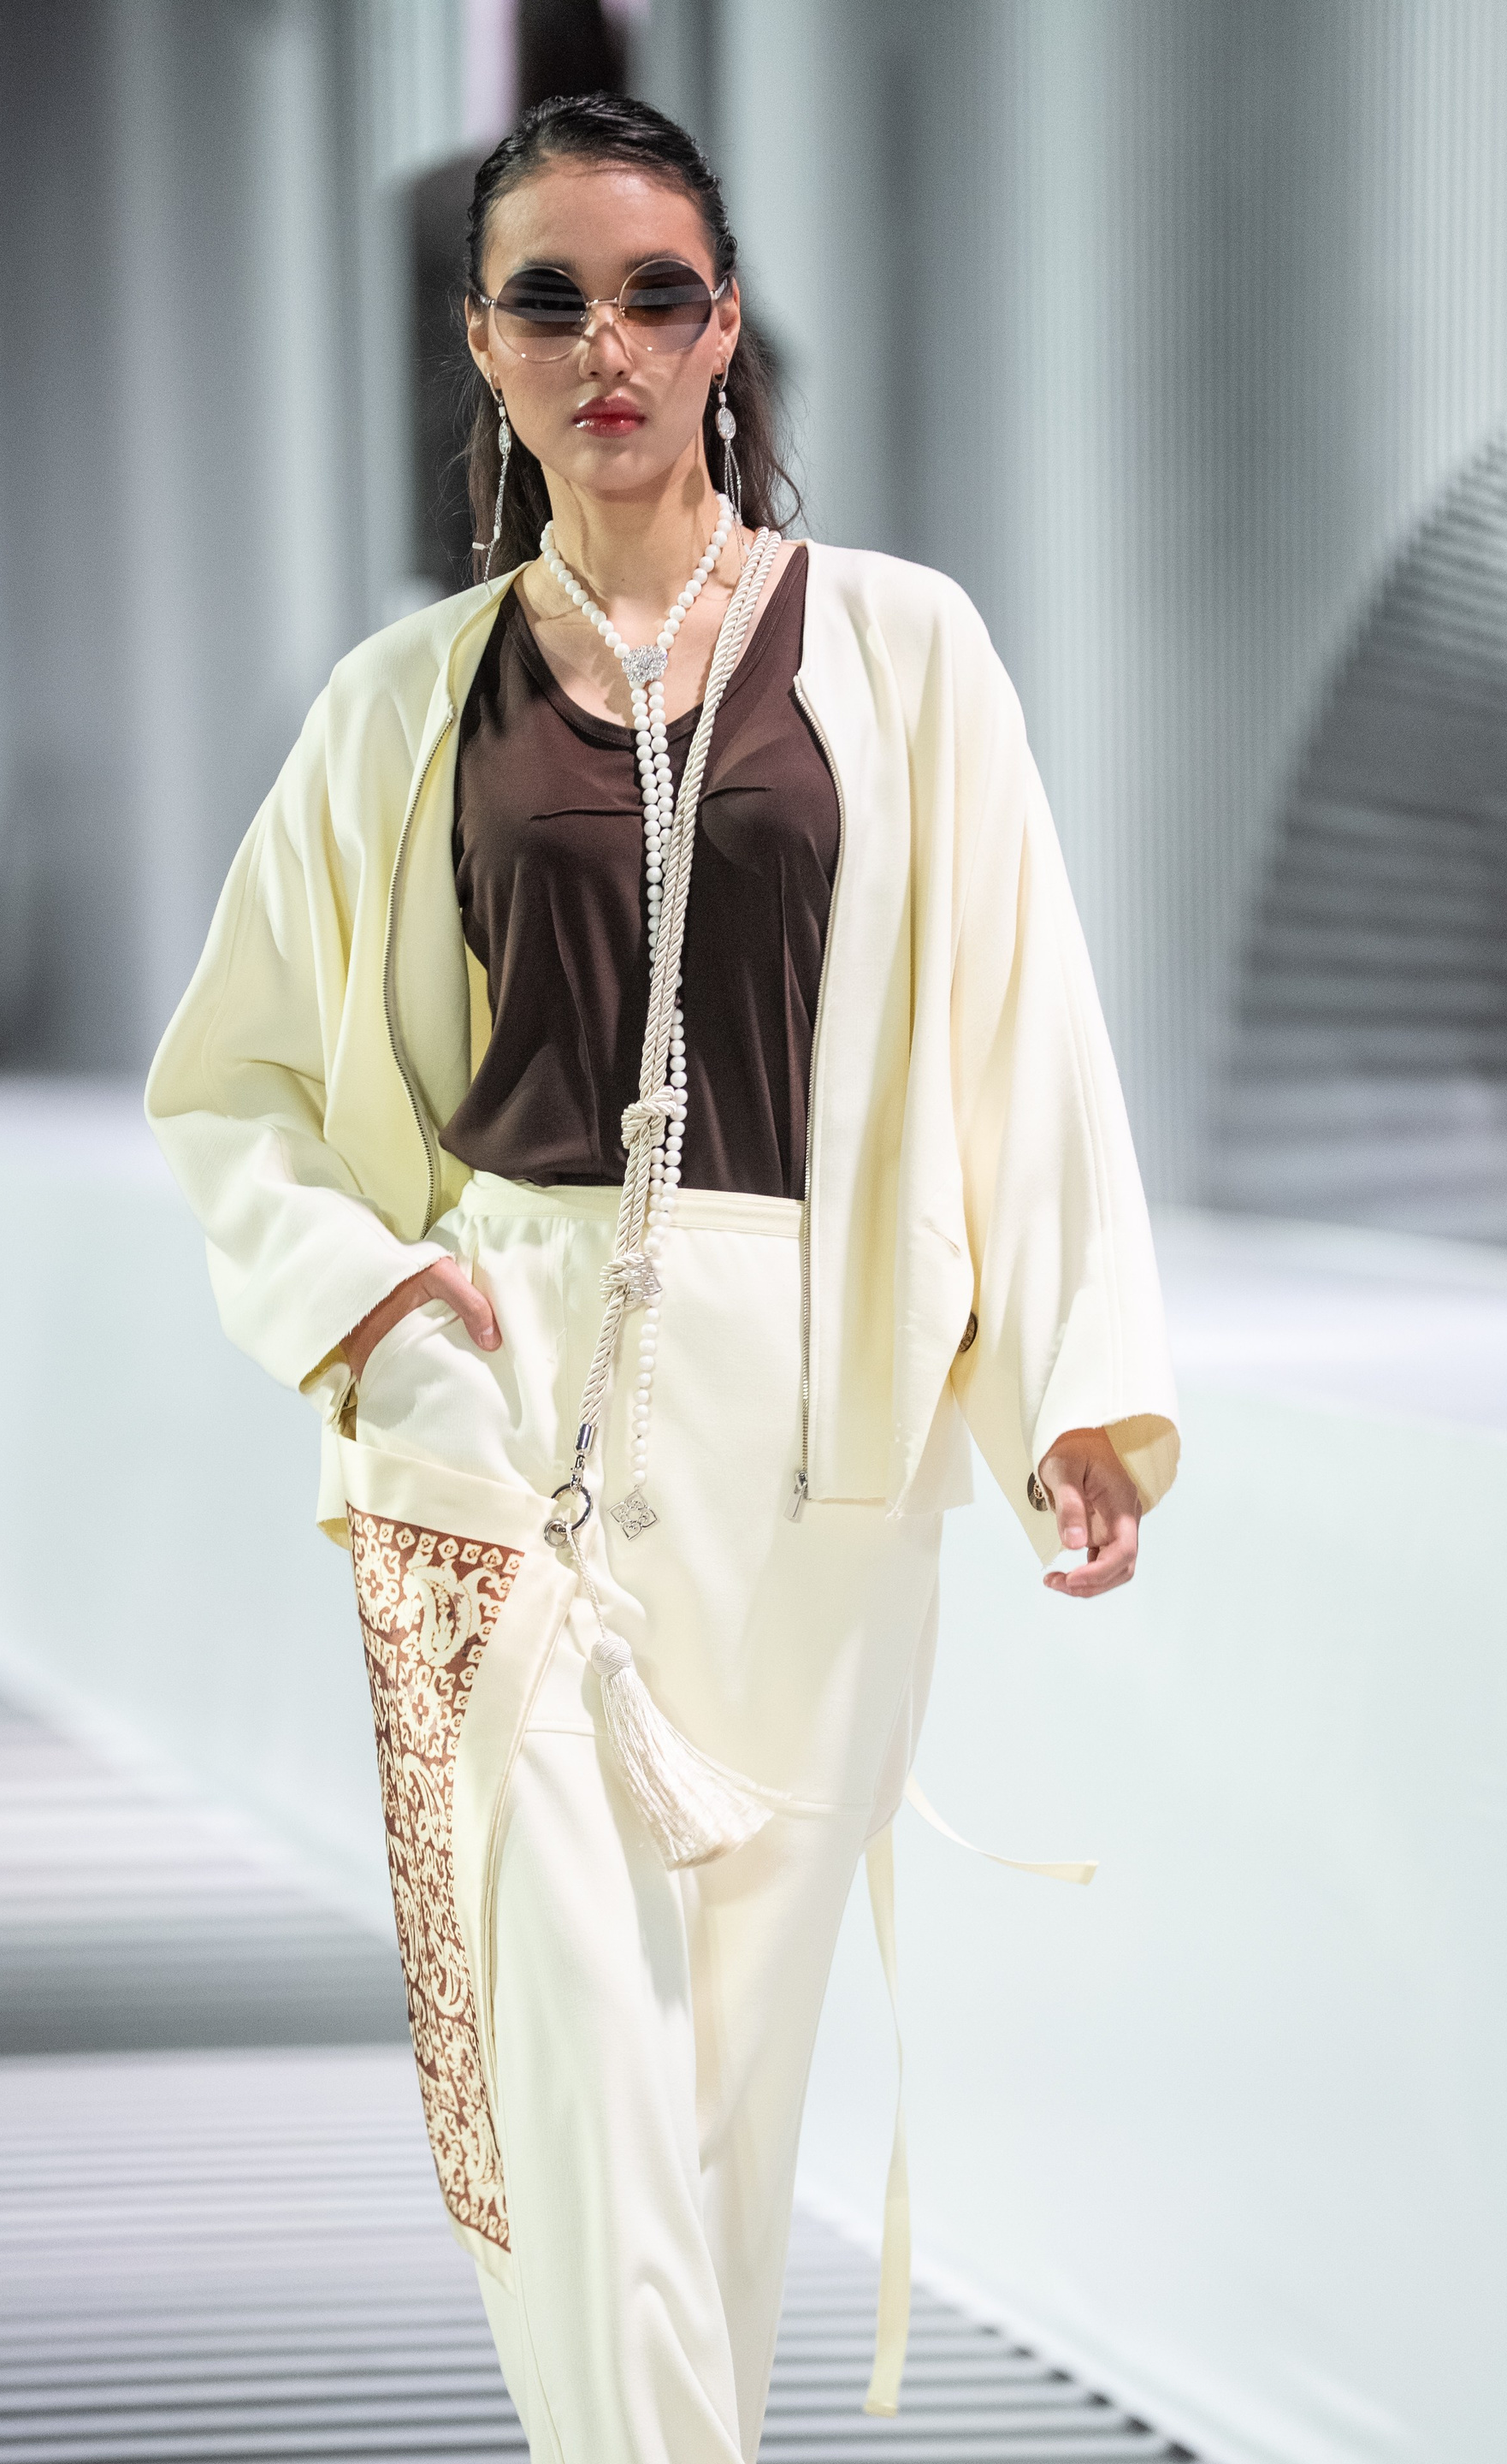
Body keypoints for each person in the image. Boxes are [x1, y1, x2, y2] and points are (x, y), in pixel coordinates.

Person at [146, 92, 1179, 2464]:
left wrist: (1073, 1389)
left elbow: (1027, 1034)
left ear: (726, 331)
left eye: (654, 294)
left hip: (812, 1445)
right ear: (480, 344)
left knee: (722, 2100)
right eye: (549, 298)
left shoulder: (906, 650)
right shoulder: (403, 705)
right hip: (485, 1428)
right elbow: (232, 1083)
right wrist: (367, 1304)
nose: (603, 343)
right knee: (571, 2066)